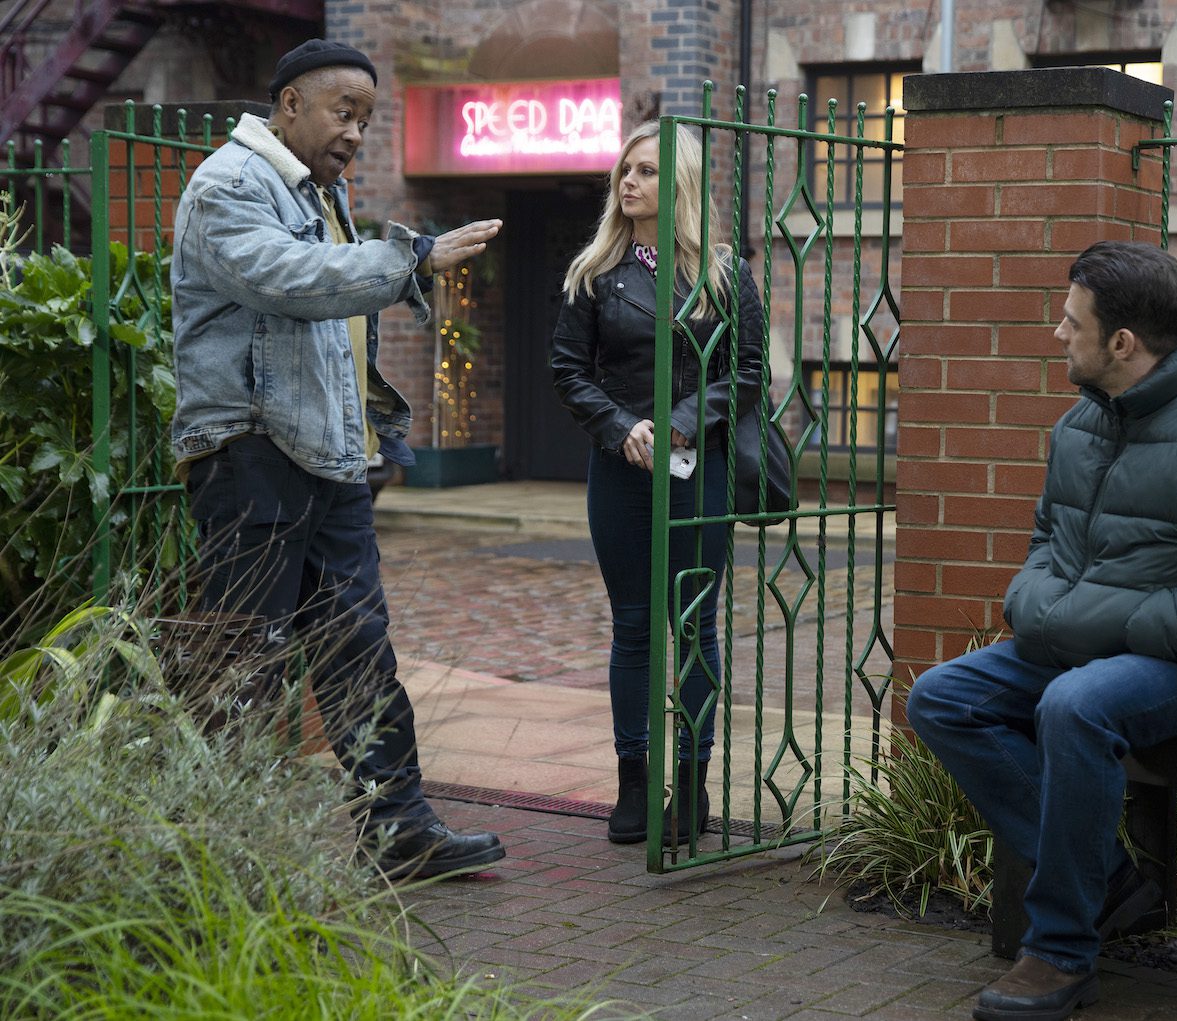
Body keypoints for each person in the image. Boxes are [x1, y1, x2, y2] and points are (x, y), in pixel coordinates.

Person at [906, 241, 1177, 1021]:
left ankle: (1060, 948)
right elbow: (1046, 543)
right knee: (942, 696)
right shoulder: (1080, 427)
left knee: (1074, 704)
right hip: (1083, 648)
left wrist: (1114, 623)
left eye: (1071, 322)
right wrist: (1035, 602)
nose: (1059, 334)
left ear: (1121, 343)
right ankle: (1111, 878)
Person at [170, 39, 507, 881]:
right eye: (342, 112)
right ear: (289, 105)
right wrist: (412, 256)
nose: (356, 131)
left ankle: (398, 831)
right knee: (245, 659)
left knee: (361, 650)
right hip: (250, 455)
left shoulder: (322, 193)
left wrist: (372, 433)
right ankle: (216, 850)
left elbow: (334, 333)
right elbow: (291, 279)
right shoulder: (229, 185)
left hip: (330, 461)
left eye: (366, 116)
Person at [550, 121, 765, 845]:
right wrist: (621, 426)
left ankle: (694, 782)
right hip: (620, 471)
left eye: (645, 171)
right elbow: (568, 371)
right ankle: (633, 780)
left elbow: (749, 373)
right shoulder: (593, 274)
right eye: (624, 171)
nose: (629, 182)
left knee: (696, 627)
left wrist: (680, 419)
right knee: (636, 625)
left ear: (679, 184)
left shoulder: (726, 274)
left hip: (697, 470)